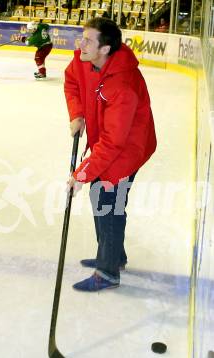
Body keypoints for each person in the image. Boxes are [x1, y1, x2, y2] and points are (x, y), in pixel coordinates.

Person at [64, 17, 157, 292]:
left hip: (129, 147)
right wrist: (77, 114)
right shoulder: (83, 60)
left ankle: (108, 271)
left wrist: (81, 173)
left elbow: (114, 142)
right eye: (83, 37)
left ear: (105, 49)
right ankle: (113, 254)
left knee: (107, 200)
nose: (81, 43)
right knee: (102, 197)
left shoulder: (123, 84)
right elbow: (71, 83)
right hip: (109, 141)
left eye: (88, 40)